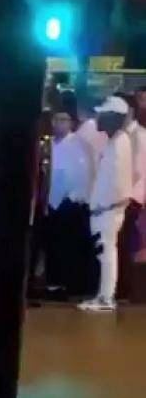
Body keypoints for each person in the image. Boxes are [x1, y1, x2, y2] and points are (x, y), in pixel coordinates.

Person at [80, 94, 134, 313]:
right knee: (105, 253)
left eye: (102, 115)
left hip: (108, 211)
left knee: (107, 253)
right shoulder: (115, 141)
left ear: (114, 117)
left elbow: (119, 181)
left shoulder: (120, 143)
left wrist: (108, 206)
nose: (97, 119)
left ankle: (105, 298)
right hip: (105, 210)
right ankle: (104, 295)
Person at [43, 108, 97, 300]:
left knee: (68, 245)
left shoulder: (79, 144)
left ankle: (70, 284)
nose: (59, 123)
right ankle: (53, 284)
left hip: (71, 202)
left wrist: (72, 198)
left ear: (71, 123)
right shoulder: (49, 144)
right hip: (50, 201)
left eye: (64, 120)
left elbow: (83, 173)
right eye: (56, 119)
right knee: (53, 245)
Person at [117, 94, 146, 302]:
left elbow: (142, 172)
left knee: (125, 246)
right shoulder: (120, 135)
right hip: (116, 198)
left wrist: (134, 200)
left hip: (130, 199)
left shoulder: (140, 136)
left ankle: (123, 291)